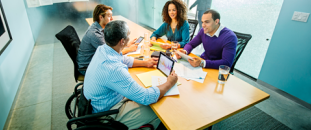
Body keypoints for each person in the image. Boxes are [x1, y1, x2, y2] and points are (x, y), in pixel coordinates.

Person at [83, 20, 178, 129]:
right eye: (129, 35)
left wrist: (144, 63)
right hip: (107, 115)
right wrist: (170, 83)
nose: (130, 37)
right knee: (159, 110)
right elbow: (146, 97)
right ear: (122, 41)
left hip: (98, 103)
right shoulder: (115, 70)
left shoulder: (103, 49)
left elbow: (121, 58)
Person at [77, 4, 138, 75]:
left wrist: (126, 44)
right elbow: (111, 53)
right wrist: (129, 49)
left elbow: (111, 46)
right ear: (101, 17)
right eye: (109, 16)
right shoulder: (95, 34)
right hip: (87, 67)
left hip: (92, 61)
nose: (112, 19)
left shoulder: (99, 27)